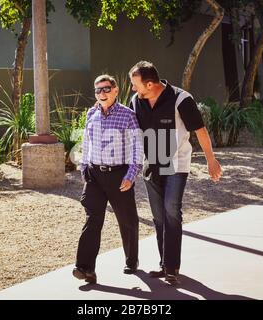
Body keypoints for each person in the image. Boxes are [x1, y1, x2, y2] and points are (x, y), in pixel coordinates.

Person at [128, 61, 223, 285]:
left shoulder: (181, 99)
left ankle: (172, 267)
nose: (132, 89)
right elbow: (130, 133)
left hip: (176, 164)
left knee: (171, 210)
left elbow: (200, 131)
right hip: (151, 165)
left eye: (135, 84)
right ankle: (164, 264)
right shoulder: (135, 102)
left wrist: (211, 160)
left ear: (149, 84)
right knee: (159, 216)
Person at [73, 74, 144, 284]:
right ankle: (85, 268)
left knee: (127, 220)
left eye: (105, 89)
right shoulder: (91, 113)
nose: (101, 93)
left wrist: (131, 175)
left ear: (115, 91)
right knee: (92, 220)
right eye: (97, 90)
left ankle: (131, 260)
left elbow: (137, 149)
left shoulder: (127, 115)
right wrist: (84, 166)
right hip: (94, 175)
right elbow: (86, 141)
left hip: (119, 175)